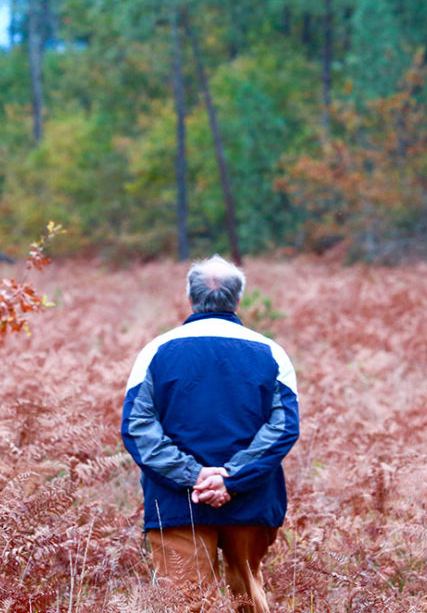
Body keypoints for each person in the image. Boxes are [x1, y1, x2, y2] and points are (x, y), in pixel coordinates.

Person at [121, 255, 300, 612]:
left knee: (184, 605)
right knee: (248, 601)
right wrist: (230, 478)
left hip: (175, 503)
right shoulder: (272, 353)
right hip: (252, 500)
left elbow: (138, 427)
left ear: (190, 297)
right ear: (238, 300)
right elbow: (282, 428)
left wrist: (195, 476)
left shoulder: (156, 352)